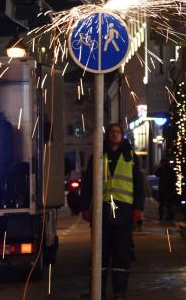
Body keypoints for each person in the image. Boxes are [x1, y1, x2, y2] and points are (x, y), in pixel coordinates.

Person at [81, 123, 144, 300]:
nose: (115, 135)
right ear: (107, 135)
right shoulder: (99, 156)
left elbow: (139, 185)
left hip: (123, 211)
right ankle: (96, 291)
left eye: (118, 132)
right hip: (102, 211)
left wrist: (138, 208)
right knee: (98, 254)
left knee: (121, 254)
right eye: (112, 132)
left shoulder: (130, 156)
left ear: (122, 136)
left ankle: (119, 292)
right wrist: (85, 207)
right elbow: (87, 184)